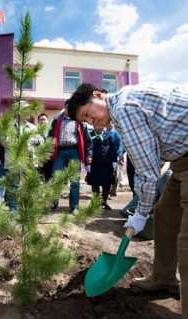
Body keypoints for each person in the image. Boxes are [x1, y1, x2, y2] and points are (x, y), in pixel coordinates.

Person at [67, 83, 188, 318]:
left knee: (187, 240)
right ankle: (164, 278)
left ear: (98, 95)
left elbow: (148, 172)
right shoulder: (125, 102)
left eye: (88, 114)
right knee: (165, 213)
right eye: (86, 121)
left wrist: (140, 213)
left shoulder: (124, 108)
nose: (92, 121)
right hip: (180, 160)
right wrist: (143, 211)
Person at [48, 103, 92, 212]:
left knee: (74, 180)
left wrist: (89, 154)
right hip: (60, 152)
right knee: (56, 178)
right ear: (65, 108)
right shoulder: (57, 121)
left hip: (74, 152)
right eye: (67, 107)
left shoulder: (80, 122)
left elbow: (88, 140)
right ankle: (53, 204)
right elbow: (50, 136)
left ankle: (74, 207)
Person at [86, 125, 118, 210]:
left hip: (107, 164)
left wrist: (114, 161)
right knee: (95, 184)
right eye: (97, 125)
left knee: (107, 184)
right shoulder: (90, 135)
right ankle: (96, 203)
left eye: (101, 125)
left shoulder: (108, 135)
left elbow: (113, 149)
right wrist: (88, 164)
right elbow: (88, 148)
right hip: (95, 164)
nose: (99, 127)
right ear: (94, 126)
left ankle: (104, 201)